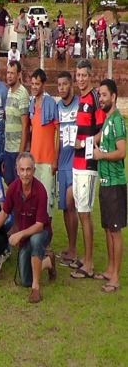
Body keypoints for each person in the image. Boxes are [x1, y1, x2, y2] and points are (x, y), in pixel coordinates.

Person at [0, 153, 56, 303]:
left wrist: (19, 234)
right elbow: (4, 212)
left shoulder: (41, 191)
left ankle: (36, 288)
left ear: (34, 170)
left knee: (35, 241)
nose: (25, 174)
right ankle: (47, 261)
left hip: (41, 232)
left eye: (29, 169)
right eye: (22, 170)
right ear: (17, 170)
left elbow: (40, 225)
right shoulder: (13, 188)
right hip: (25, 236)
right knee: (24, 280)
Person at [70, 59, 106, 279]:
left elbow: (102, 131)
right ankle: (84, 258)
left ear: (90, 76)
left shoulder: (94, 98)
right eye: (78, 74)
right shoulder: (80, 99)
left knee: (85, 213)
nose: (81, 78)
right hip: (76, 163)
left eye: (84, 75)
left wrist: (84, 144)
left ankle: (90, 264)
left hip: (88, 164)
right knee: (79, 208)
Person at [93, 79, 126, 292]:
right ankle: (110, 269)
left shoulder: (116, 120)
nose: (101, 99)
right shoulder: (107, 120)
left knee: (115, 231)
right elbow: (99, 139)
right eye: (100, 95)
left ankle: (115, 278)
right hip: (105, 182)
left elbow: (122, 152)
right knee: (107, 228)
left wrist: (101, 155)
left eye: (104, 95)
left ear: (113, 96)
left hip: (115, 184)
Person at [28, 69, 59, 217]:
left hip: (47, 161)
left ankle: (47, 238)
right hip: (34, 161)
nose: (34, 87)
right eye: (32, 84)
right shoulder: (32, 105)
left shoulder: (51, 104)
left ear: (44, 84)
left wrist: (55, 160)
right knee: (34, 202)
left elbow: (59, 133)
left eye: (37, 84)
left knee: (47, 203)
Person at [56, 71, 79, 266]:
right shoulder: (57, 107)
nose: (62, 88)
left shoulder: (79, 104)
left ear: (71, 85)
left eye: (65, 84)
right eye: (59, 85)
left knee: (72, 204)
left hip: (75, 162)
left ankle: (74, 250)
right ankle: (71, 248)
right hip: (61, 163)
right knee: (65, 207)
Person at [2, 60, 29, 186]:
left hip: (17, 149)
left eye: (12, 73)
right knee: (9, 183)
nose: (9, 76)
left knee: (18, 186)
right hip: (8, 148)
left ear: (19, 75)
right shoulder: (8, 92)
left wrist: (21, 154)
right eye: (8, 73)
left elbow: (25, 126)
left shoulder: (22, 94)